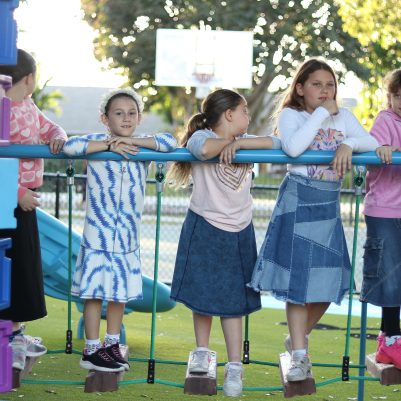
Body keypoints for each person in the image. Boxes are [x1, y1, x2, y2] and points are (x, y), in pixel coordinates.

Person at [248, 58, 380, 382]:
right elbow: (293, 148)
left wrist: (348, 141)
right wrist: (323, 113)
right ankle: (300, 356)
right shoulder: (292, 115)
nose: (324, 91)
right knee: (298, 285)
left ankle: (297, 337)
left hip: (327, 205)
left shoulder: (344, 117)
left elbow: (373, 144)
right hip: (299, 199)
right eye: (317, 84)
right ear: (300, 88)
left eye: (330, 85)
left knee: (333, 280)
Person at [168, 89, 281, 397]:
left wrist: (240, 143)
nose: (248, 117)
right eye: (244, 111)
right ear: (229, 114)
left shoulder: (245, 142)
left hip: (239, 229)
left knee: (233, 304)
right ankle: (202, 353)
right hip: (205, 225)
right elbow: (202, 150)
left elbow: (277, 143)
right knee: (202, 295)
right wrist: (231, 145)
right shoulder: (201, 135)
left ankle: (234, 366)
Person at [63, 88, 177, 372]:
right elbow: (69, 146)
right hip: (97, 235)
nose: (126, 118)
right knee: (93, 292)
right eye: (118, 113)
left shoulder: (143, 146)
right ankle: (91, 349)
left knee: (118, 292)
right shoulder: (95, 142)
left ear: (139, 117)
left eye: (132, 113)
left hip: (127, 238)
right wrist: (110, 146)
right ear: (105, 118)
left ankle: (111, 345)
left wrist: (131, 142)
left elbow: (170, 142)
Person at [0, 49, 67, 370]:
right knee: (9, 265)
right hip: (8, 198)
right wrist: (17, 192)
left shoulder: (27, 105)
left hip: (23, 202)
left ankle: (15, 333)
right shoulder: (0, 109)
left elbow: (49, 126)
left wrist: (57, 137)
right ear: (28, 79)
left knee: (24, 265)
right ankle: (9, 336)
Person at [360, 68, 401, 368]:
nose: (400, 102)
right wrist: (382, 149)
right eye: (397, 96)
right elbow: (372, 148)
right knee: (388, 273)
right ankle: (390, 337)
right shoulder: (386, 120)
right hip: (385, 209)